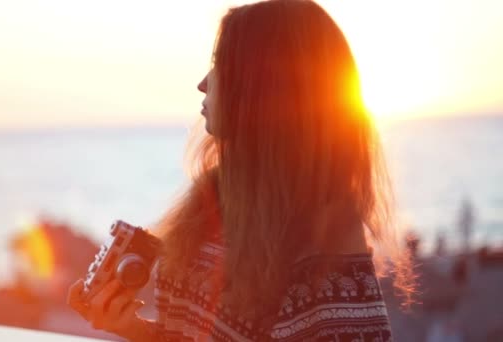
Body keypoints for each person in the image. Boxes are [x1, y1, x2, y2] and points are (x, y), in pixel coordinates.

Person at [68, 0, 414, 340]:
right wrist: (132, 328)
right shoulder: (214, 197)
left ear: (261, 86)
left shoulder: (324, 243)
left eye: (220, 63)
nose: (203, 83)